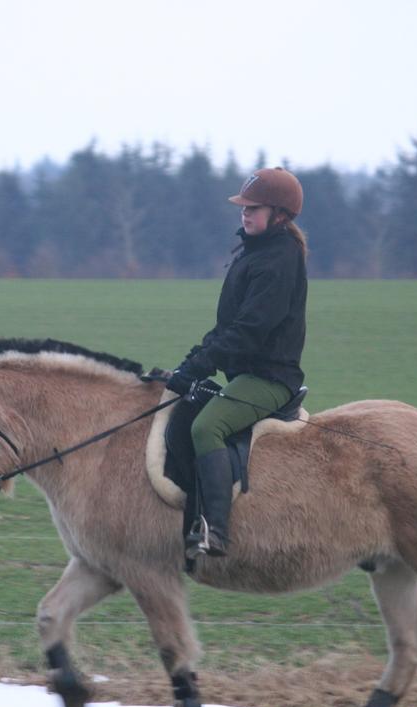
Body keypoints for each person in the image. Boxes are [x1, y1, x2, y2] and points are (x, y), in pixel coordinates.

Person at [166, 167, 308, 558]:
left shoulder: (278, 260)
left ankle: (216, 531)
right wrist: (188, 364)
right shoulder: (254, 253)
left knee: (206, 428)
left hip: (269, 378)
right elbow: (225, 328)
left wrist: (198, 368)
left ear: (279, 214)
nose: (245, 215)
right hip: (246, 372)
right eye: (243, 208)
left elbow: (249, 332)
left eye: (254, 208)